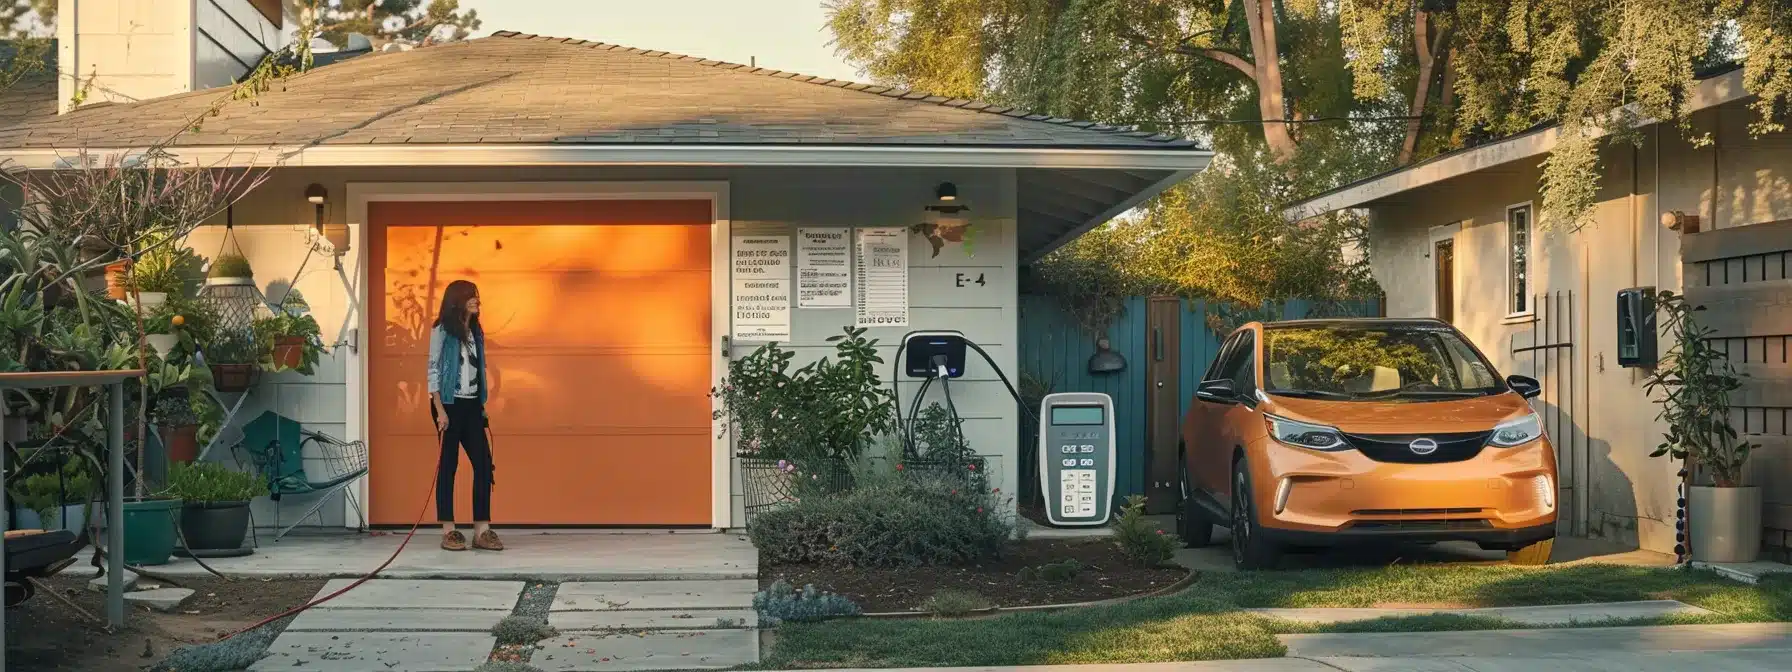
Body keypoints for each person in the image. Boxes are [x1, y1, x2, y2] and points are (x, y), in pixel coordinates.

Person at [427, 280, 502, 551]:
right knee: (448, 466)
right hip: (447, 404)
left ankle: (482, 530)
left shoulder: (475, 332)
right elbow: (433, 368)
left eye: (477, 296)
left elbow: (477, 370)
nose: (476, 300)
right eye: (471, 296)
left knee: (483, 464)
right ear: (457, 299)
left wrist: (481, 404)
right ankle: (449, 530)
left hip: (471, 405)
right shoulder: (442, 331)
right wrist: (440, 409)